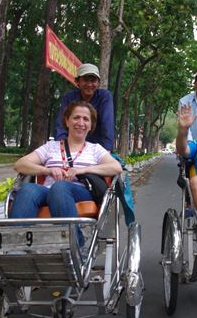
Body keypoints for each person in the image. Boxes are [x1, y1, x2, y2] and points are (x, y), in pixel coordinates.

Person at [11, 101, 123, 246]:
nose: (80, 123)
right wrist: (48, 170)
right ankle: (16, 246)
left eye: (86, 119)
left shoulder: (95, 149)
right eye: (76, 118)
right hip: (47, 191)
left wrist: (83, 170)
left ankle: (75, 245)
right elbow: (20, 164)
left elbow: (116, 168)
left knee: (61, 188)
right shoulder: (51, 147)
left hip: (79, 191)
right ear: (67, 121)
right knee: (27, 189)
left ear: (90, 125)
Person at [56, 63, 115, 151]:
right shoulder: (68, 98)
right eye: (85, 80)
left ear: (98, 83)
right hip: (71, 147)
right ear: (77, 82)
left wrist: (106, 150)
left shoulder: (105, 97)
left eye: (93, 80)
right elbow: (61, 124)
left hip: (97, 148)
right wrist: (61, 147)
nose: (89, 84)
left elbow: (107, 124)